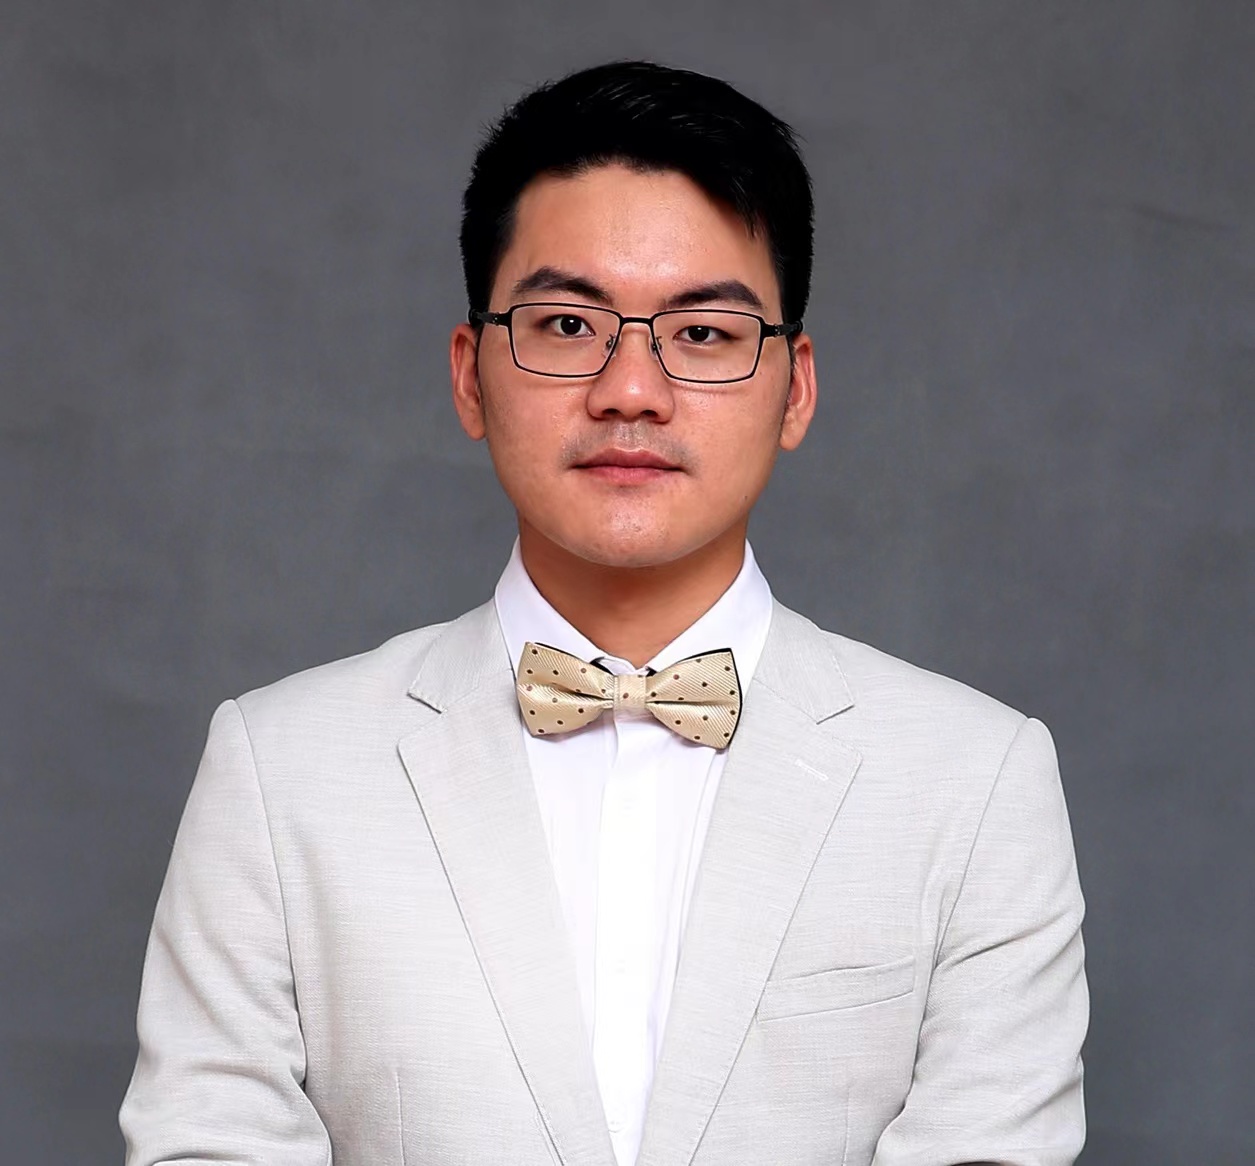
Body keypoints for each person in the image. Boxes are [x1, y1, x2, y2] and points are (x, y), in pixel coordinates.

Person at [120, 60, 1088, 1166]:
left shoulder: (975, 782)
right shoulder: (279, 772)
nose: (631, 389)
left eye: (704, 334)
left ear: (796, 388)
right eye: (568, 323)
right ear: (470, 376)